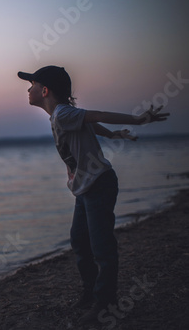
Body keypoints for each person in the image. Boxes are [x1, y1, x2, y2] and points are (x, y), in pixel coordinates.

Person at [17, 65, 169, 325]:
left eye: (31, 84)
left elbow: (95, 115)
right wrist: (113, 134)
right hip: (86, 187)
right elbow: (90, 124)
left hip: (98, 185)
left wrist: (138, 120)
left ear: (44, 90)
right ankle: (91, 293)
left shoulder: (63, 113)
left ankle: (104, 303)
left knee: (101, 248)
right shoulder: (61, 114)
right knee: (79, 240)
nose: (27, 89)